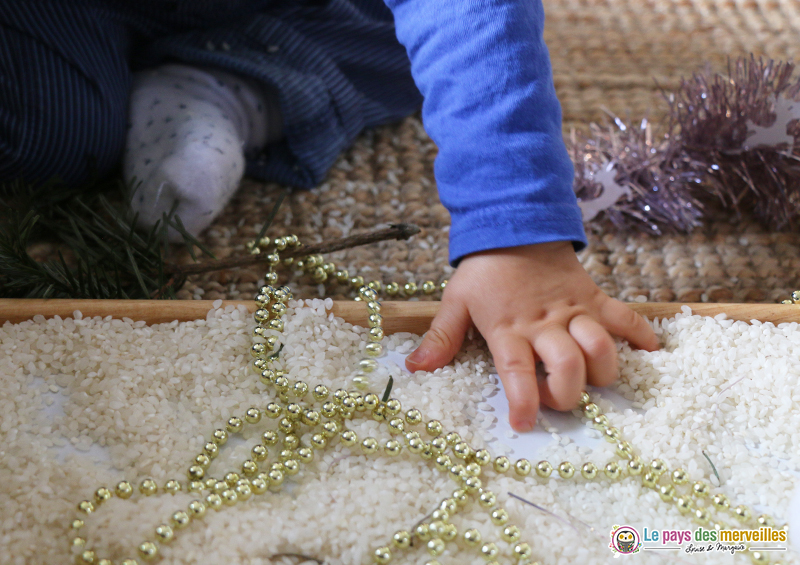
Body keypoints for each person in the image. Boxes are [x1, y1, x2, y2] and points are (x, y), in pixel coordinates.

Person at [0, 0, 658, 431]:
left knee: (434, 50)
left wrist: (519, 232)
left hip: (314, 16)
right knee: (54, 134)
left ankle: (234, 82)